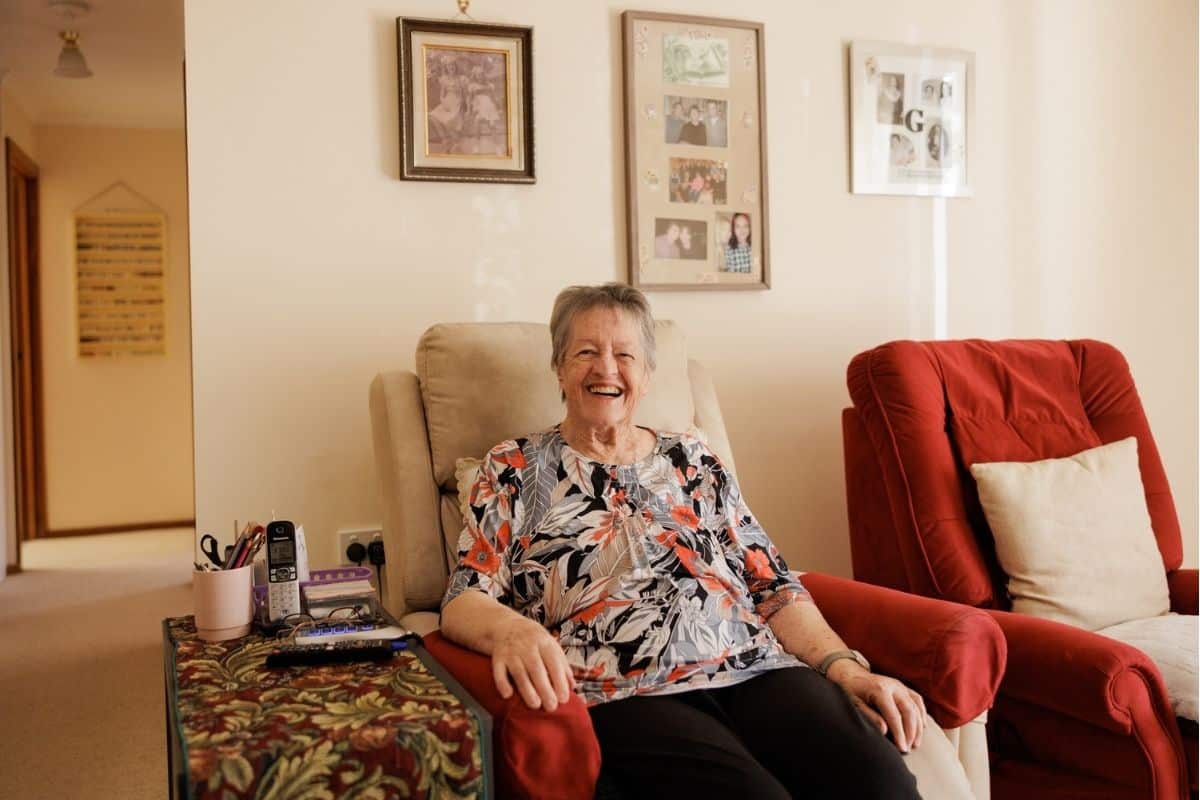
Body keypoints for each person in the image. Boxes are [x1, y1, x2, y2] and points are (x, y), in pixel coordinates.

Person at [440, 283, 926, 799]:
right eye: (586, 352)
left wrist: (845, 669)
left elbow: (775, 586)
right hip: (627, 689)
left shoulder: (693, 460)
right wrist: (513, 633)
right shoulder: (514, 467)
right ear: (559, 368)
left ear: (646, 376)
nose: (606, 368)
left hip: (755, 670)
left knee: (883, 785)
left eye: (624, 354)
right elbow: (464, 597)